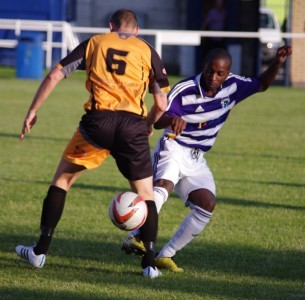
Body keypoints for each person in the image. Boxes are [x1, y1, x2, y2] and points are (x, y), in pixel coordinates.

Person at [15, 9, 170, 278]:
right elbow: (161, 104)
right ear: (137, 31)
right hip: (132, 126)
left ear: (111, 26)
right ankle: (150, 264)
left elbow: (54, 75)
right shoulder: (147, 50)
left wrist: (32, 111)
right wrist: (146, 125)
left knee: (62, 181)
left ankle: (40, 252)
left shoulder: (95, 42)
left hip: (97, 124)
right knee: (146, 194)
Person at [121, 45, 292, 272]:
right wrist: (172, 120)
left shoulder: (233, 86)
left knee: (207, 205)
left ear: (227, 73)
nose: (213, 77)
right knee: (163, 186)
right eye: (210, 71)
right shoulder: (185, 89)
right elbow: (158, 117)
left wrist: (277, 62)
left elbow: (262, 84)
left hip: (196, 158)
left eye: (220, 73)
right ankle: (136, 236)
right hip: (173, 147)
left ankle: (166, 255)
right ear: (204, 67)